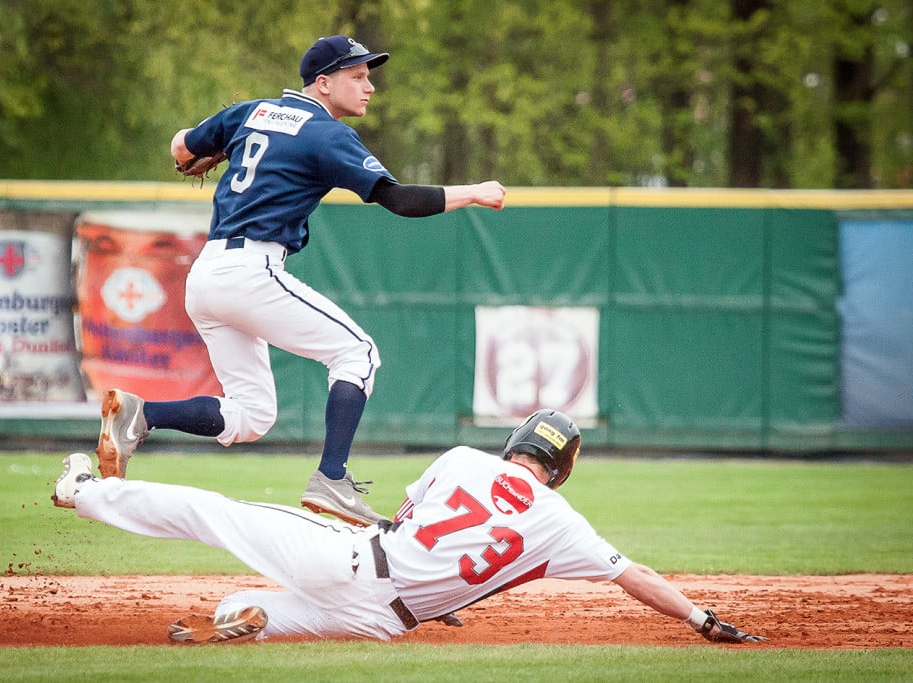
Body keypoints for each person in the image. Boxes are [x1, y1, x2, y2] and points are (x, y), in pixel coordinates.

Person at [93, 34, 506, 527]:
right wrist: (475, 192)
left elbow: (182, 146)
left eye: (368, 75)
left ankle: (142, 415)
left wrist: (199, 156)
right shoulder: (326, 134)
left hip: (205, 277)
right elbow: (400, 201)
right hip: (251, 270)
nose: (369, 86)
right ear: (324, 83)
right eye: (358, 76)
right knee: (358, 354)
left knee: (251, 417)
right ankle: (332, 479)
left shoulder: (251, 113)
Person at [55, 408, 768, 645]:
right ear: (564, 466)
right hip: (389, 619)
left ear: (517, 441)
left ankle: (83, 490)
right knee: (247, 609)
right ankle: (240, 617)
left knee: (218, 513)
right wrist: (703, 618)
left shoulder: (461, 457)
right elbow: (633, 575)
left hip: (364, 563)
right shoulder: (563, 522)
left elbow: (409, 522)